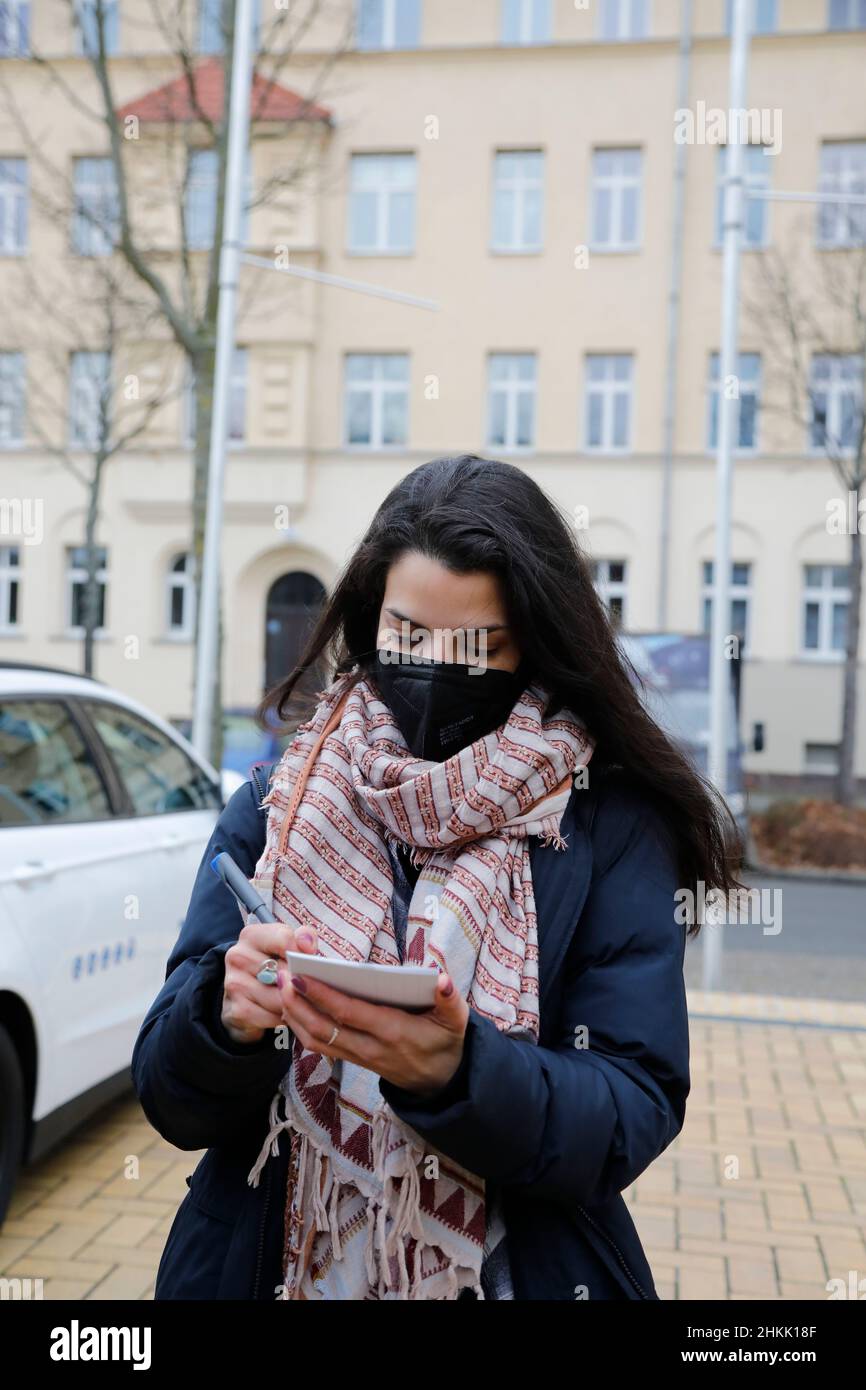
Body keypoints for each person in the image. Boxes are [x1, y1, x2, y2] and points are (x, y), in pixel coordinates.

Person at [132, 453, 742, 1301]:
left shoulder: (610, 825)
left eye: (476, 645)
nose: (432, 669)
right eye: (408, 637)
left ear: (534, 639)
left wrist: (462, 1074)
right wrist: (224, 1020)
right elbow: (168, 1098)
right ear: (369, 616)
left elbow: (629, 1108)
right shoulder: (281, 801)